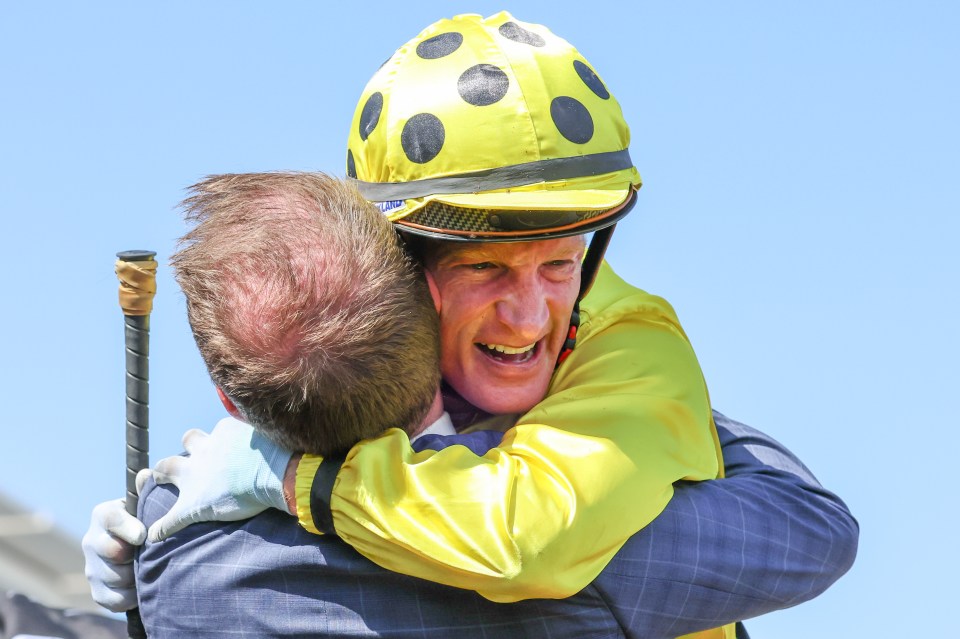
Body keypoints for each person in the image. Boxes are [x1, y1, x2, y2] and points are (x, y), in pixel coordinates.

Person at [84, 12, 858, 638]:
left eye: (559, 263)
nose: (529, 318)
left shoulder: (634, 341)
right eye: (485, 267)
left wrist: (287, 479)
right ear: (398, 263)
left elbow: (530, 538)